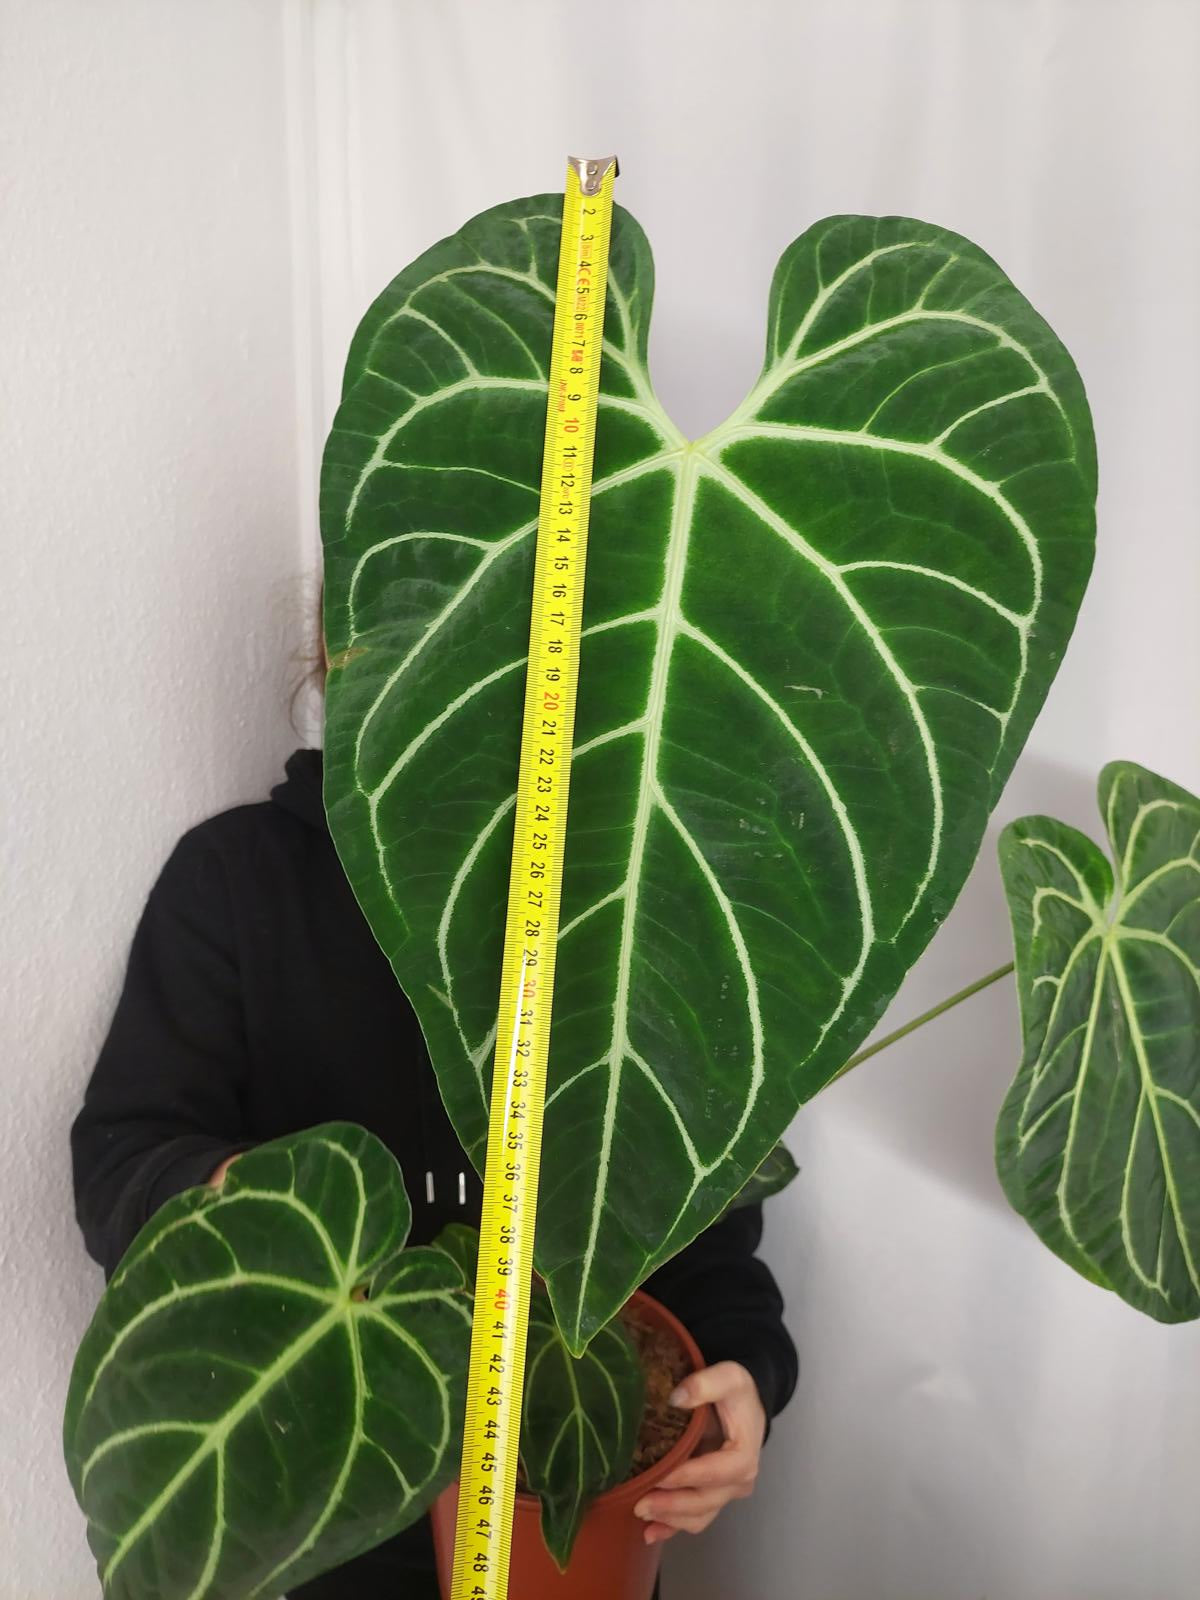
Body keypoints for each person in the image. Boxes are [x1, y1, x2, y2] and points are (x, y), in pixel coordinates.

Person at [70, 621, 798, 1598]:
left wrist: (747, 1375)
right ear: (347, 651)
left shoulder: (629, 918)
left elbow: (704, 1235)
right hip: (325, 1523)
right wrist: (276, 1210)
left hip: (572, 1516)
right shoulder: (240, 881)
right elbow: (123, 1164)